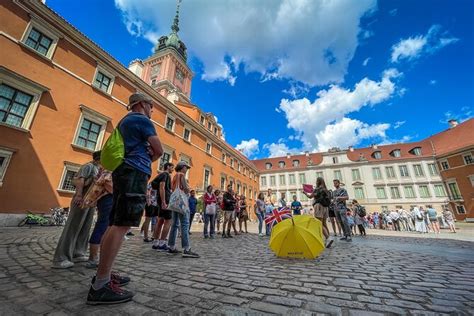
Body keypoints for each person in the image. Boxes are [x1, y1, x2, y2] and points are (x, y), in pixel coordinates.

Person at [87, 93, 163, 305]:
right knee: (121, 225)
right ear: (140, 104)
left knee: (114, 223)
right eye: (150, 104)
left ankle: (104, 273)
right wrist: (151, 155)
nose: (152, 109)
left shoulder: (125, 121)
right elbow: (159, 150)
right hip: (135, 171)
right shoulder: (140, 119)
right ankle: (100, 285)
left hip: (122, 171)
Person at [52, 151, 101, 269]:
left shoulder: (98, 169)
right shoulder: (88, 166)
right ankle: (61, 258)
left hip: (90, 202)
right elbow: (79, 180)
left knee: (85, 228)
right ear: (99, 158)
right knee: (73, 227)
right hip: (81, 199)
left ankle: (78, 252)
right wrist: (78, 195)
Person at [167, 162, 199, 257]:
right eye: (186, 167)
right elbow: (185, 189)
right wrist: (188, 188)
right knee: (185, 224)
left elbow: (173, 188)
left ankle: (171, 246)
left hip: (175, 203)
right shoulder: (181, 175)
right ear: (182, 167)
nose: (187, 169)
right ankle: (186, 248)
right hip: (181, 203)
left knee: (174, 224)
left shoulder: (174, 176)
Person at [86, 167, 113, 268]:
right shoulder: (111, 166)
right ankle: (93, 258)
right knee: (102, 227)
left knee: (105, 228)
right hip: (108, 199)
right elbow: (107, 183)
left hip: (107, 199)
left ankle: (96, 256)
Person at [304, 177, 333, 248]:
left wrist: (305, 193)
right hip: (325, 207)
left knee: (319, 223)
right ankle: (328, 239)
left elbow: (310, 197)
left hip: (319, 206)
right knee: (324, 223)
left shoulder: (317, 189)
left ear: (318, 181)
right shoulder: (325, 189)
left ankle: (328, 238)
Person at [151, 163, 174, 251]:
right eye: (172, 167)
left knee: (160, 220)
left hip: (160, 199)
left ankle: (156, 242)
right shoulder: (165, 174)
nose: (173, 169)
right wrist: (164, 201)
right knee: (168, 221)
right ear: (167, 167)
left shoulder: (161, 175)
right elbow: (162, 187)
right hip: (166, 199)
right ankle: (162, 243)